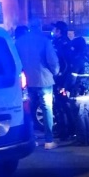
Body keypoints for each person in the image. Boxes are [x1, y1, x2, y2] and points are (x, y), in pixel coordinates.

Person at [15, 17, 60, 150]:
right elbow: (52, 61)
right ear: (39, 26)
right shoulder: (45, 41)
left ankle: (33, 138)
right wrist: (55, 72)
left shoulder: (19, 42)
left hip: (28, 81)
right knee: (47, 109)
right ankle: (48, 140)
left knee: (30, 110)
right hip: (44, 80)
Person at [65, 36, 89, 146]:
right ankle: (87, 138)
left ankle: (82, 140)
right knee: (85, 116)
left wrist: (66, 88)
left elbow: (72, 79)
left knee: (79, 117)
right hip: (88, 90)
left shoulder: (77, 59)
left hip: (78, 92)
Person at [51, 20, 75, 141]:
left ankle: (67, 131)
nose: (53, 31)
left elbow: (66, 64)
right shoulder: (59, 42)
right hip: (60, 79)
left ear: (59, 31)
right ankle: (64, 129)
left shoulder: (63, 44)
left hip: (61, 80)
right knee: (60, 105)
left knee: (63, 106)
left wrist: (60, 78)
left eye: (54, 29)